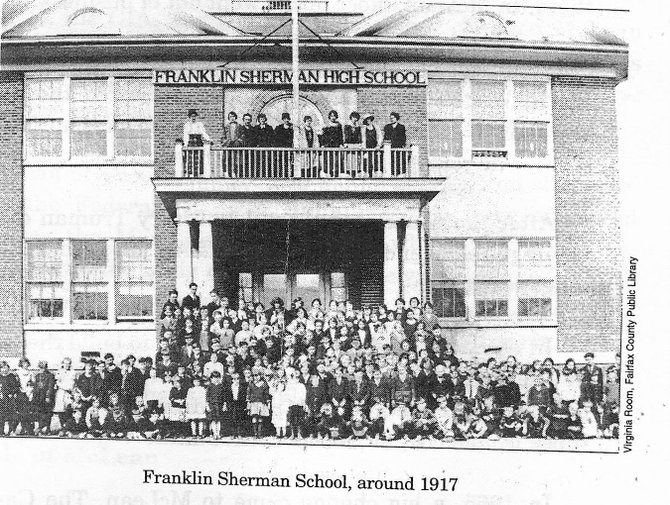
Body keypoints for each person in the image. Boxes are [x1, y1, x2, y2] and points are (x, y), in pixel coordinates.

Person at [182, 109, 211, 177]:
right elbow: (186, 135)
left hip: (198, 142)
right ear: (189, 117)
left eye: (194, 116)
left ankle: (199, 174)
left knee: (198, 158)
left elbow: (203, 133)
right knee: (190, 158)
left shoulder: (199, 124)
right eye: (192, 116)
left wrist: (208, 139)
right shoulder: (187, 125)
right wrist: (185, 144)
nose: (193, 118)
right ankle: (190, 173)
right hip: (191, 142)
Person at [320, 110, 344, 177]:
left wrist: (341, 144)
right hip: (328, 145)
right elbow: (323, 136)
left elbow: (340, 135)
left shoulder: (339, 125)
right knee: (329, 159)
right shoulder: (326, 125)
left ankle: (336, 173)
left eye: (334, 116)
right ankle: (329, 173)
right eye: (331, 116)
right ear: (329, 117)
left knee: (337, 160)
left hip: (336, 145)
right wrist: (323, 144)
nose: (333, 117)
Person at [344, 111, 363, 176]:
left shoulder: (358, 127)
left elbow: (359, 135)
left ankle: (356, 171)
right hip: (349, 144)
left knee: (356, 158)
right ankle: (349, 171)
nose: (355, 119)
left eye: (356, 118)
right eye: (354, 117)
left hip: (356, 144)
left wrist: (360, 143)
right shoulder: (347, 126)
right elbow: (346, 134)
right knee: (349, 158)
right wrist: (346, 142)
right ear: (351, 117)